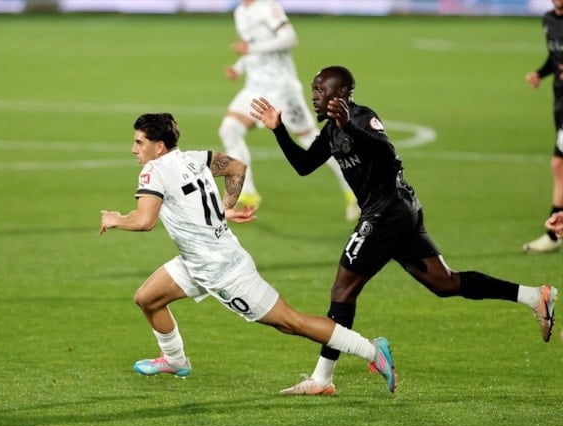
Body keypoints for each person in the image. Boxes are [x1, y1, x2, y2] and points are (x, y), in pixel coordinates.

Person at [249, 66, 558, 396]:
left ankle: (323, 378)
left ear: (340, 94)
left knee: (343, 289)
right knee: (444, 282)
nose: (314, 96)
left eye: (319, 89)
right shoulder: (330, 131)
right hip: (395, 212)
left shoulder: (362, 118)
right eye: (313, 89)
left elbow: (386, 153)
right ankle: (534, 297)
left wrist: (349, 127)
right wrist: (279, 130)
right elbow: (304, 165)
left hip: (387, 212)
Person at [99, 112, 396, 394]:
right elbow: (236, 167)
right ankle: (175, 360)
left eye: (139, 142)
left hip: (224, 272)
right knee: (147, 298)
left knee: (290, 322)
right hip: (198, 261)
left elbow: (145, 221)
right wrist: (224, 210)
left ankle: (372, 350)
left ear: (159, 147)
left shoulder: (153, 171)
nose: (134, 149)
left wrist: (116, 219)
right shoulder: (195, 158)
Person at [219, 0, 359, 221]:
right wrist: (238, 68)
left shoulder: (268, 7)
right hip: (254, 89)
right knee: (229, 130)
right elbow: (251, 46)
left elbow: (289, 38)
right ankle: (248, 193)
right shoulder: (240, 12)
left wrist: (251, 49)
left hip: (282, 90)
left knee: (312, 142)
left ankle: (354, 189)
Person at [523, 0, 563, 253]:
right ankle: (555, 232)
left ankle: (553, 234)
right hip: (559, 99)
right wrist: (540, 73)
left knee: (559, 164)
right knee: (560, 166)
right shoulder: (548, 20)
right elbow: (555, 58)